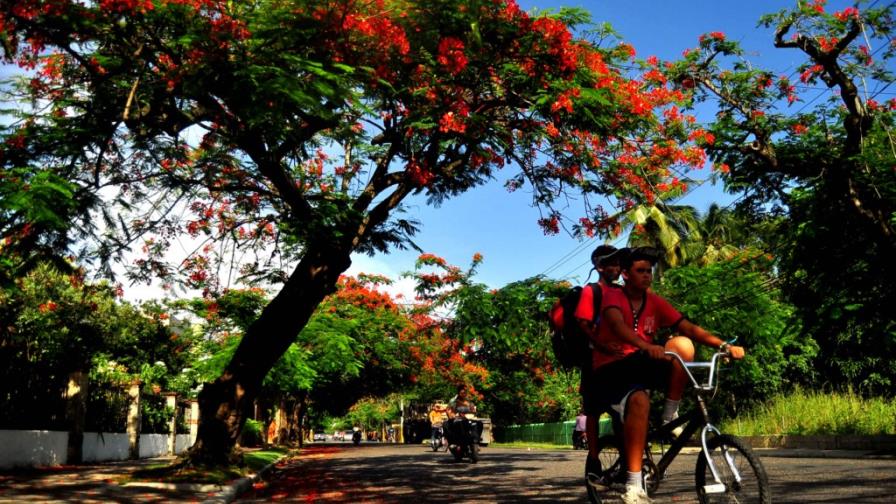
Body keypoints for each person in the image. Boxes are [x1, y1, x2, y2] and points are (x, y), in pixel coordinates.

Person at [590, 247, 745, 504]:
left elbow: (689, 328)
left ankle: (669, 414)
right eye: (640, 271)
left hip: (641, 363)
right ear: (626, 274)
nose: (646, 276)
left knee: (683, 345)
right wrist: (645, 345)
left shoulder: (655, 302)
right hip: (612, 369)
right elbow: (617, 326)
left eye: (649, 271)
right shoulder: (613, 297)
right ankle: (633, 486)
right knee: (639, 400)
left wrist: (723, 346)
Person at [574, 244, 624, 457]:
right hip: (594, 361)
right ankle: (593, 458)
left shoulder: (622, 291)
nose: (618, 267)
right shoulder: (591, 291)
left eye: (619, 263)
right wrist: (603, 345)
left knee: (622, 410)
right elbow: (583, 325)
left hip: (621, 360)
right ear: (600, 266)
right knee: (593, 411)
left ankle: (627, 455)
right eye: (612, 263)